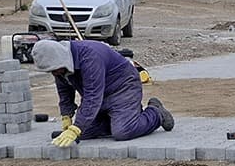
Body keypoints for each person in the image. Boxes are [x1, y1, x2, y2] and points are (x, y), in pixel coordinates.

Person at [31, 39, 173, 147]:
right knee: (83, 133)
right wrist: (66, 115)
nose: (54, 73)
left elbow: (92, 97)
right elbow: (64, 90)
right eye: (51, 71)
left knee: (123, 131)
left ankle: (155, 113)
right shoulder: (60, 66)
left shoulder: (89, 57)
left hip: (122, 88)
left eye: (55, 70)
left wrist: (75, 128)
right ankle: (118, 119)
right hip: (100, 94)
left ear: (60, 58)